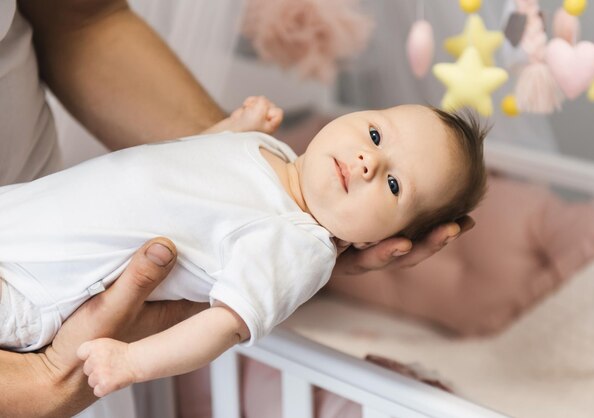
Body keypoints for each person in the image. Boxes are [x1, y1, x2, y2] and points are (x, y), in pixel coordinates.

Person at [1, 0, 473, 415]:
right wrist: (228, 132)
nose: (369, 161)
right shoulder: (274, 156)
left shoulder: (298, 245)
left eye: (393, 184)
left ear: (376, 241)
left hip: (35, 290)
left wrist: (132, 362)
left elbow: (223, 326)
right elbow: (180, 168)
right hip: (17, 218)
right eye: (375, 134)